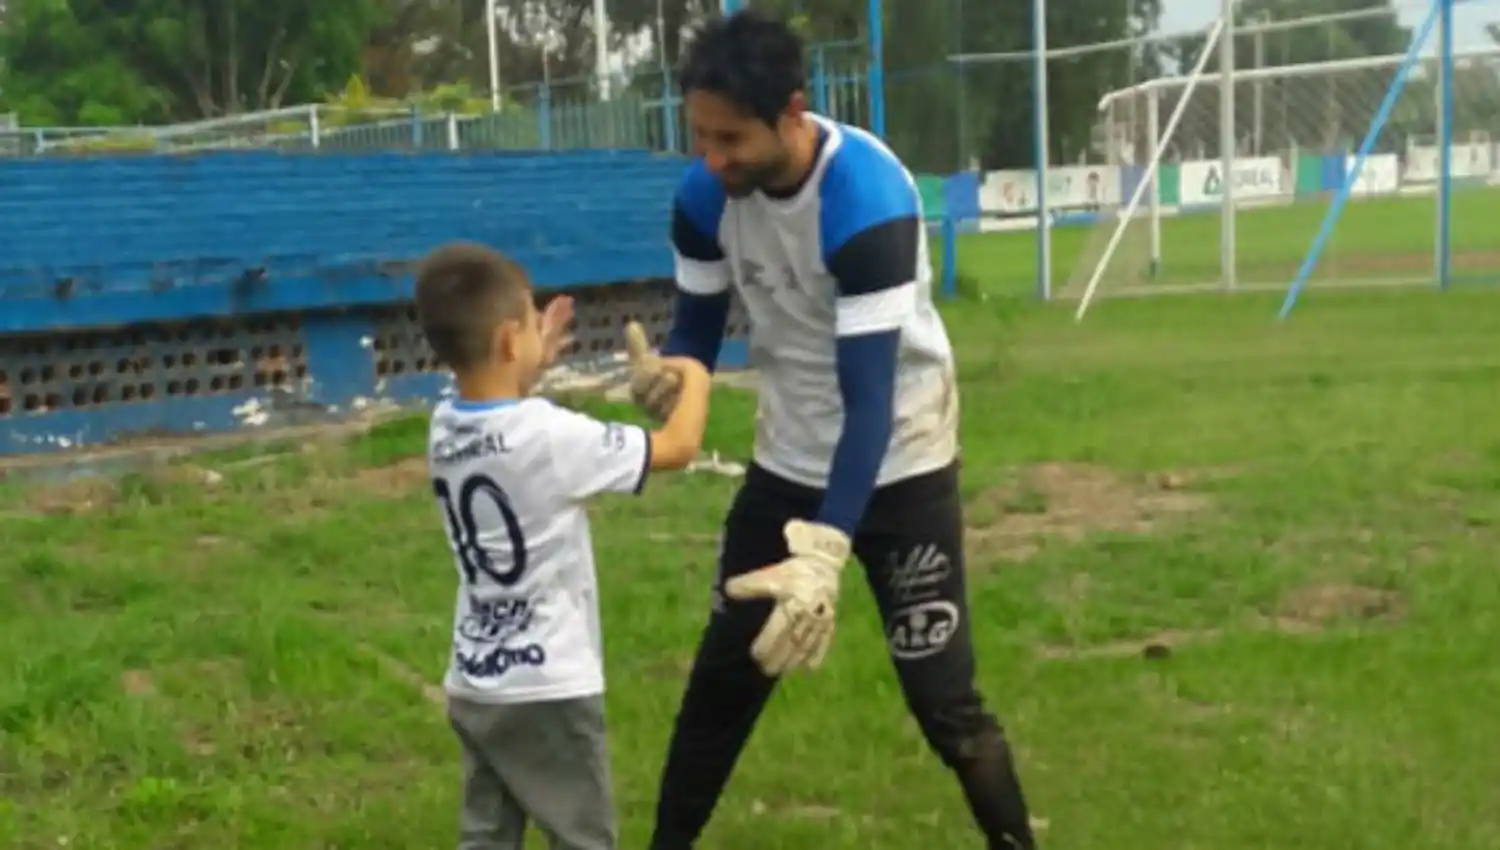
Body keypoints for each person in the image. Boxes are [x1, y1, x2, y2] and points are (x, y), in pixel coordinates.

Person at [624, 10, 1039, 850]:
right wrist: (672, 372)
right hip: (786, 463)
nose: (712, 159)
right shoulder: (704, 197)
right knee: (722, 684)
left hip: (902, 459)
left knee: (945, 705)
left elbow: (869, 405)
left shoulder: (867, 203)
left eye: (730, 138)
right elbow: (700, 328)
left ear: (792, 110)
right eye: (699, 136)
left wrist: (825, 553)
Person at [414, 241, 711, 850]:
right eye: (529, 322)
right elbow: (676, 448)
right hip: (548, 685)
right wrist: (697, 375)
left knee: (487, 838)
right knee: (581, 838)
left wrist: (528, 361)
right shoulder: (550, 435)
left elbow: (495, 407)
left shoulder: (443, 423)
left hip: (475, 680)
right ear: (505, 341)